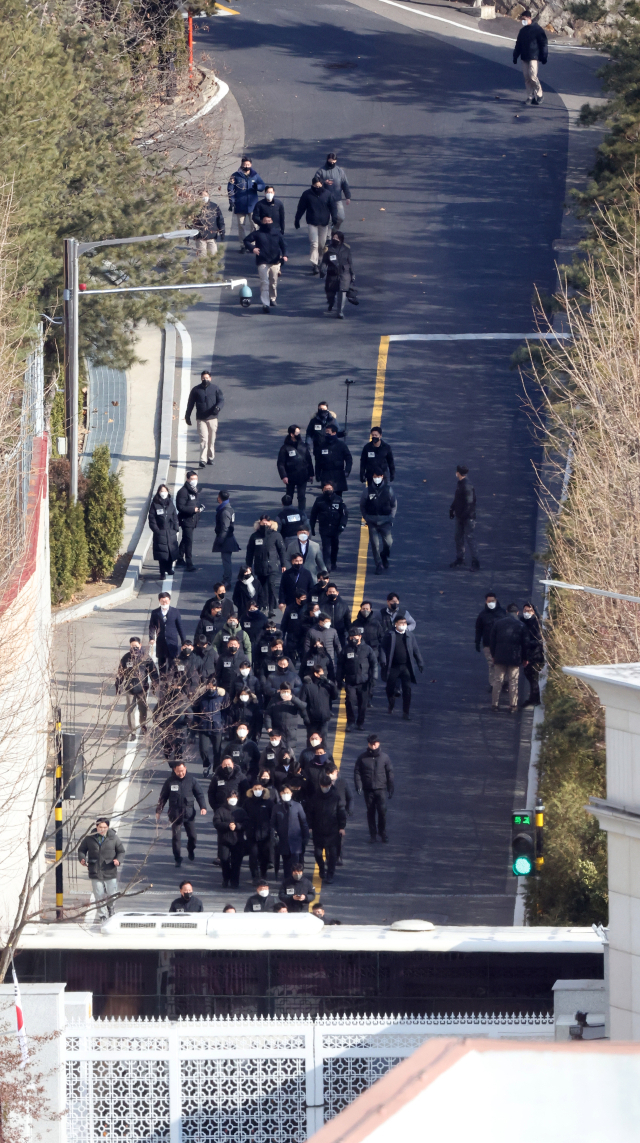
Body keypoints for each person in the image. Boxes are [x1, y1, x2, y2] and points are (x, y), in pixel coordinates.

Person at [156, 762, 207, 866]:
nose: (181, 773)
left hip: (189, 814)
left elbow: (199, 794)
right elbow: (163, 797)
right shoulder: (170, 781)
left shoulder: (191, 780)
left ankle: (190, 849)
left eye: (182, 771)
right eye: (178, 771)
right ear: (174, 770)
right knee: (176, 838)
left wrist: (203, 806)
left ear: (185, 768)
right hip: (175, 814)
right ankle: (177, 858)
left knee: (193, 836)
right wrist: (158, 810)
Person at [78, 817, 124, 921]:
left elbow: (121, 851)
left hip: (109, 870)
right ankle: (102, 915)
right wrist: (82, 858)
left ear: (108, 827)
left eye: (105, 827)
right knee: (99, 894)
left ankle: (110, 907)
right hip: (95, 870)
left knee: (112, 894)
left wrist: (118, 860)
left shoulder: (114, 838)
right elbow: (82, 850)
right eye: (100, 827)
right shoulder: (89, 838)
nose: (102, 829)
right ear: (96, 827)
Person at [381, 614, 424, 720]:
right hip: (393, 667)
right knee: (389, 689)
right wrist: (383, 660)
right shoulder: (389, 635)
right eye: (401, 623)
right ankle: (391, 703)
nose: (403, 625)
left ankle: (406, 712)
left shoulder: (410, 636)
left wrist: (420, 662)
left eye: (405, 623)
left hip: (406, 667)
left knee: (407, 690)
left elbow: (415, 650)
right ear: (395, 624)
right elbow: (383, 648)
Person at [294, 176, 339, 274]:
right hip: (312, 222)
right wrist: (297, 219)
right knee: (314, 243)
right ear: (312, 185)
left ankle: (321, 261)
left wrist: (334, 217)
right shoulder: (307, 195)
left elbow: (333, 208)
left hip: (324, 223)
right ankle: (314, 264)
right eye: (315, 186)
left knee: (322, 245)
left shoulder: (328, 195)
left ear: (322, 184)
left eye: (319, 186)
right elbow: (301, 207)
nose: (317, 188)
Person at [489, 603, 528, 714]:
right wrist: (525, 658)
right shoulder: (521, 625)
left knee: (498, 680)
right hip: (515, 658)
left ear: (506, 612)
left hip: (499, 656)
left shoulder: (498, 624)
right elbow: (525, 644)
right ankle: (513, 705)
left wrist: (493, 655)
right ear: (517, 613)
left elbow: (492, 642)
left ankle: (495, 704)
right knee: (513, 681)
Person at [354, 735, 394, 843]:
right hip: (368, 790)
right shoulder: (362, 758)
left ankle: (382, 832)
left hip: (381, 789)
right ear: (368, 744)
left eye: (375, 743)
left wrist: (391, 787)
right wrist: (358, 785)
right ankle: (373, 834)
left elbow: (389, 772)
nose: (373, 745)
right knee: (370, 812)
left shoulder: (384, 757)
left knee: (382, 811)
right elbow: (357, 772)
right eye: (371, 743)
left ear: (379, 743)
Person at [244, 216, 288, 313]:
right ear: (262, 222)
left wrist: (284, 255)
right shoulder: (258, 233)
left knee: (273, 282)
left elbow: (283, 244)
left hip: (275, 261)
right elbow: (246, 240)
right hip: (262, 261)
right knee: (264, 282)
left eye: (269, 221)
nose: (267, 223)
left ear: (272, 221)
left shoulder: (277, 233)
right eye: (265, 221)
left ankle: (272, 298)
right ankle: (265, 304)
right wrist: (253, 249)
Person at [115, 637, 157, 737]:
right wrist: (118, 686)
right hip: (130, 689)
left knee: (143, 710)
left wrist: (155, 685)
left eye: (136, 646)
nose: (135, 648)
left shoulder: (145, 658)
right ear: (130, 646)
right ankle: (132, 731)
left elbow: (153, 672)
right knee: (130, 711)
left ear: (140, 645)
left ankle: (143, 727)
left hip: (142, 689)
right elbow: (120, 673)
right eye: (132, 646)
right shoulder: (126, 658)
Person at [246, 514, 287, 614]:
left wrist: (283, 564)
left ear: (270, 523)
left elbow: (282, 550)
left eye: (267, 522)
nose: (265, 524)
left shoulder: (276, 535)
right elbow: (250, 551)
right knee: (261, 587)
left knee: (271, 585)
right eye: (263, 522)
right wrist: (248, 565)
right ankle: (263, 606)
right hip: (259, 566)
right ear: (259, 523)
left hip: (272, 566)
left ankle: (271, 608)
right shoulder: (254, 536)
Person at [309, 774, 346, 884]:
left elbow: (341, 813)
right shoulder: (315, 797)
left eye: (326, 785)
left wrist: (342, 827)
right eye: (323, 785)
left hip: (333, 831)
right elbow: (310, 813)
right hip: (318, 831)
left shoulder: (335, 797)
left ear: (330, 784)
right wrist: (310, 826)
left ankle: (330, 874)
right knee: (318, 853)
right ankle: (321, 868)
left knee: (333, 855)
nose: (324, 787)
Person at [338, 628, 377, 732]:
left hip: (364, 682)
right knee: (350, 701)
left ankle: (360, 723)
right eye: (351, 637)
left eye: (355, 636)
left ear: (360, 636)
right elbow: (340, 665)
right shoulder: (346, 649)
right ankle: (350, 722)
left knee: (363, 704)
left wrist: (374, 678)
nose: (353, 638)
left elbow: (374, 664)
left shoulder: (367, 649)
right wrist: (339, 679)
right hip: (350, 682)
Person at [185, 370, 224, 469]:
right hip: (201, 419)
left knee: (211, 439)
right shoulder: (195, 390)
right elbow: (190, 404)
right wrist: (187, 416)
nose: (205, 380)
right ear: (201, 378)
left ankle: (210, 457)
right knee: (204, 439)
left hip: (212, 419)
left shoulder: (215, 389)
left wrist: (218, 408)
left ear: (210, 378)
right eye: (203, 378)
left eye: (207, 378)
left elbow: (221, 400)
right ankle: (203, 459)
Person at [192, 676, 229, 775]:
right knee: (203, 749)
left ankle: (216, 769)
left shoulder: (221, 696)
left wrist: (224, 723)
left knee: (217, 750)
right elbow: (195, 710)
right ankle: (206, 764)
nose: (211, 689)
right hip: (204, 726)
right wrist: (196, 722)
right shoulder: (201, 697)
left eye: (213, 687)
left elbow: (226, 711)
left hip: (217, 726)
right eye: (209, 686)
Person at [361, 472, 397, 574]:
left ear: (382, 477)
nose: (377, 478)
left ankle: (384, 555)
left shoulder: (388, 490)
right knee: (375, 544)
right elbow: (362, 505)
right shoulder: (368, 490)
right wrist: (366, 517)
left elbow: (394, 504)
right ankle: (378, 564)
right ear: (372, 477)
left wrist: (391, 518)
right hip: (372, 521)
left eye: (379, 476)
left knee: (388, 542)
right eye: (375, 476)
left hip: (385, 521)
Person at [227, 155, 265, 249]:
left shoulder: (254, 175)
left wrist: (258, 187)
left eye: (248, 164)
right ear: (241, 165)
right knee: (241, 226)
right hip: (240, 205)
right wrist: (232, 201)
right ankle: (243, 245)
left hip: (253, 205)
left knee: (254, 225)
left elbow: (262, 185)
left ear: (251, 165)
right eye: (244, 165)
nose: (246, 166)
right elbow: (230, 188)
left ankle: (252, 244)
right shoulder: (235, 176)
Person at [310, 482, 348, 571]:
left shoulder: (339, 500)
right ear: (323, 490)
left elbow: (344, 514)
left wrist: (342, 525)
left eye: (330, 489)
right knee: (326, 547)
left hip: (335, 528)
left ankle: (333, 562)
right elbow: (313, 514)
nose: (328, 490)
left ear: (333, 489)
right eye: (326, 489)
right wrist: (312, 527)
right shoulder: (319, 500)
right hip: (324, 528)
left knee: (335, 546)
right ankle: (327, 565)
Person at [214, 790, 248, 888]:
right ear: (227, 798)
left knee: (236, 862)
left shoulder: (241, 811)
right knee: (224, 860)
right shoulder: (220, 810)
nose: (233, 799)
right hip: (224, 840)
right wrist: (227, 825)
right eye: (231, 797)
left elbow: (246, 823)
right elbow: (216, 823)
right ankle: (226, 878)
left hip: (238, 840)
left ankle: (235, 881)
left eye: (235, 797)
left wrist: (237, 826)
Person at [513, 10, 548, 105]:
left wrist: (544, 56)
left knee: (532, 76)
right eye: (522, 19)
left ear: (529, 18)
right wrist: (515, 55)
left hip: (534, 56)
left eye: (524, 19)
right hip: (524, 57)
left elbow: (543, 43)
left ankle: (539, 93)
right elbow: (518, 44)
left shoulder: (537, 29)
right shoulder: (522, 31)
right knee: (527, 78)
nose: (523, 21)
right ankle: (530, 96)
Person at [449, 464, 480, 571]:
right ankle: (460, 558)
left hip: (467, 518)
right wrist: (452, 508)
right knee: (458, 537)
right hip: (460, 516)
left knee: (470, 538)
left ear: (458, 473)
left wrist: (462, 516)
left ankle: (476, 562)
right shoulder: (461, 484)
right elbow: (457, 499)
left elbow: (470, 504)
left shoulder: (467, 486)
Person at [244, 780, 276, 880]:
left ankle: (263, 874)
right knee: (253, 856)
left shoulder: (269, 802)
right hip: (252, 834)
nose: (257, 790)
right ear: (252, 790)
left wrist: (272, 830)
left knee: (264, 857)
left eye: (259, 789)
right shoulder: (247, 802)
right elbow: (243, 815)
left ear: (263, 789)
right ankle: (255, 876)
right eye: (255, 789)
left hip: (265, 835)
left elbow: (273, 817)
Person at [277, 426, 314, 512]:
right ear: (292, 434)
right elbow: (280, 463)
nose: (299, 434)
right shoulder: (285, 448)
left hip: (303, 475)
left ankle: (302, 513)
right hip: (290, 476)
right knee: (289, 495)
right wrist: (284, 476)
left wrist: (311, 474)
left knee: (301, 496)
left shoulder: (303, 446)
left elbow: (309, 460)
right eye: (297, 433)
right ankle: (287, 511)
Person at [271, 798, 310, 880]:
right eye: (283, 792)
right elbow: (273, 823)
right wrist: (274, 834)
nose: (285, 794)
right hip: (283, 840)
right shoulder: (277, 807)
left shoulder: (297, 806)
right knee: (286, 862)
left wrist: (306, 836)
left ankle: (296, 880)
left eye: (287, 792)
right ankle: (287, 881)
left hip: (296, 840)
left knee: (296, 862)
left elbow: (303, 822)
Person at [264, 683, 308, 754]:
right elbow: (268, 714)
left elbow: (303, 706)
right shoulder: (274, 700)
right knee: (278, 751)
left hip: (290, 731)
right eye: (283, 691)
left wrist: (293, 699)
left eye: (287, 691)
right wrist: (269, 727)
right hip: (278, 730)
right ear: (280, 691)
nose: (285, 693)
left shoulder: (294, 700)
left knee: (290, 752)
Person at [475, 592, 506, 692]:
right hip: (487, 644)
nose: (491, 603)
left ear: (496, 600)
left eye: (493, 601)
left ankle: (503, 682)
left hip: (501, 644)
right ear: (486, 602)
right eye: (489, 601)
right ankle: (493, 684)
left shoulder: (502, 613)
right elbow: (478, 629)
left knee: (502, 663)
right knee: (491, 664)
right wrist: (477, 642)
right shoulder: (482, 615)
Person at [319, 231, 354, 319]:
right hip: (332, 274)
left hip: (344, 274)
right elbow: (324, 261)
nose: (335, 239)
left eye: (337, 238)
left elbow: (350, 263)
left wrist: (352, 274)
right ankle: (331, 302)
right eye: (334, 238)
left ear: (341, 239)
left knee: (342, 292)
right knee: (330, 293)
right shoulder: (328, 249)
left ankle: (340, 311)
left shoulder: (346, 249)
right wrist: (322, 270)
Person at [300, 665, 339, 740]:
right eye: (321, 672)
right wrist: (305, 717)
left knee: (323, 741)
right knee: (312, 741)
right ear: (316, 674)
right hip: (312, 720)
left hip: (324, 719)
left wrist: (331, 684)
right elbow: (302, 704)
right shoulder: (307, 686)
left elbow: (335, 696)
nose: (323, 674)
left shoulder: (326, 686)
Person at [149, 592, 185, 672]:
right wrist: (151, 638)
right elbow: (152, 626)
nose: (165, 603)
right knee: (161, 664)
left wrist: (184, 641)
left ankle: (171, 681)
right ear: (159, 601)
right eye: (162, 601)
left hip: (172, 641)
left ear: (169, 600)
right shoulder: (155, 613)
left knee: (173, 663)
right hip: (161, 641)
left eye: (166, 601)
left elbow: (180, 627)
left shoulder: (175, 612)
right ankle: (162, 681)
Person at [148, 484, 179, 578]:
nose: (163, 493)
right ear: (158, 492)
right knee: (162, 555)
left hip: (170, 532)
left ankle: (169, 569)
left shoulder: (170, 503)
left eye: (165, 491)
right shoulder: (155, 504)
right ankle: (162, 572)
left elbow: (174, 517)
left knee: (171, 553)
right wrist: (157, 531)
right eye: (161, 491)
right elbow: (152, 519)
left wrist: (175, 528)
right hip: (160, 533)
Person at [314, 152, 351, 227]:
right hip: (325, 200)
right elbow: (315, 184)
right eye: (330, 162)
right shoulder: (321, 171)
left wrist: (348, 197)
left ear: (336, 161)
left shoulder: (340, 172)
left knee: (341, 217)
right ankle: (328, 235)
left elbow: (345, 184)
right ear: (327, 160)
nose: (331, 163)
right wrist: (323, 182)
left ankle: (333, 231)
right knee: (328, 219)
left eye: (333, 162)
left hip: (337, 199)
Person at [176, 470, 203, 571]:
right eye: (192, 479)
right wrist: (193, 510)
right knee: (189, 541)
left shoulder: (194, 490)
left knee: (185, 539)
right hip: (186, 520)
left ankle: (179, 558)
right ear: (187, 479)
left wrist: (198, 509)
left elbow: (194, 503)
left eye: (196, 479)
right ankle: (189, 563)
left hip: (193, 519)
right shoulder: (183, 491)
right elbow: (180, 507)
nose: (194, 481)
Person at [213, 489, 240, 587]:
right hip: (229, 538)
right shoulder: (229, 508)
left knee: (226, 561)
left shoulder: (224, 511)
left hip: (226, 539)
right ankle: (226, 578)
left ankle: (227, 580)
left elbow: (225, 527)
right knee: (226, 560)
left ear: (219, 498)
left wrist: (220, 540)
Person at [315, 424, 352, 496]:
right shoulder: (322, 446)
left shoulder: (341, 445)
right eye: (326, 432)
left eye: (328, 432)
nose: (327, 434)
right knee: (326, 495)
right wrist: (317, 474)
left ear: (334, 433)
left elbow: (348, 458)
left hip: (338, 474)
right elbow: (318, 461)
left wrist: (347, 470)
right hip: (326, 474)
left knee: (338, 496)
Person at [521, 601, 544, 707]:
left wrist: (527, 643)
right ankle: (533, 698)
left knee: (533, 677)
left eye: (529, 611)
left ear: (533, 612)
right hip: (527, 654)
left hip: (535, 655)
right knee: (529, 676)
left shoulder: (536, 624)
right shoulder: (522, 622)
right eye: (525, 610)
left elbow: (539, 641)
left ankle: (535, 699)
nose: (527, 613)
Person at [192, 190, 225, 257]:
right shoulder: (195, 208)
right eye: (202, 196)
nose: (204, 197)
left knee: (213, 256)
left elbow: (220, 220)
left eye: (206, 195)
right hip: (200, 237)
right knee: (202, 256)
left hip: (212, 236)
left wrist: (222, 231)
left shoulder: (214, 206)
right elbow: (189, 222)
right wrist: (187, 236)